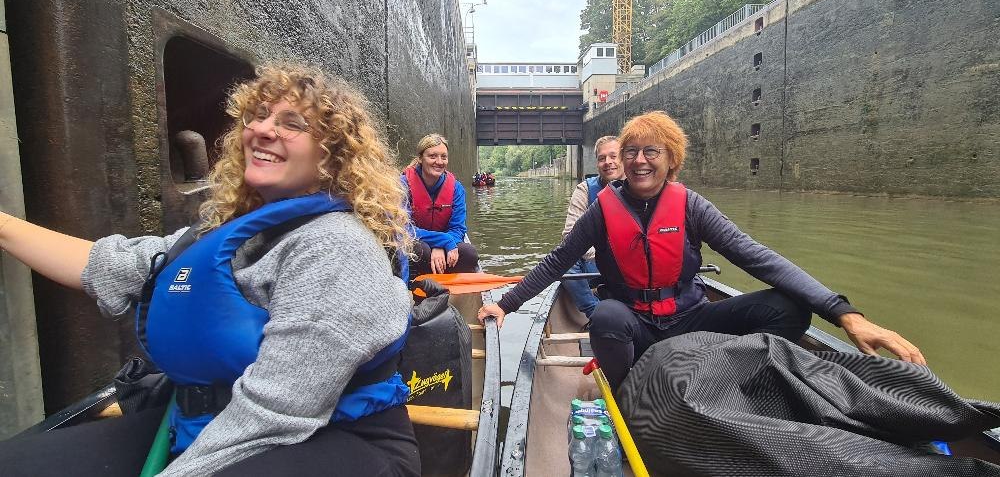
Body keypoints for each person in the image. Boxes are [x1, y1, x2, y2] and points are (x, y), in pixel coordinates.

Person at [0, 65, 420, 476]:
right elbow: (106, 266)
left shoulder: (337, 248)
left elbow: (277, 412)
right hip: (203, 420)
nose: (263, 129)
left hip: (335, 437)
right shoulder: (228, 236)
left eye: (291, 123)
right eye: (257, 117)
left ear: (333, 155)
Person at [478, 111, 925, 390]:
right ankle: (631, 391)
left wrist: (845, 314)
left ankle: (733, 379)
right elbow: (559, 261)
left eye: (650, 151)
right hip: (634, 323)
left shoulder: (691, 206)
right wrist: (505, 304)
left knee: (788, 308)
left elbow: (757, 257)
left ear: (671, 159)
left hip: (691, 319)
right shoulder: (603, 207)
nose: (637, 161)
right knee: (608, 316)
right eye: (630, 151)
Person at [561, 136, 623, 317]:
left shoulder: (639, 187)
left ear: (625, 158)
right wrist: (603, 256)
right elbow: (569, 237)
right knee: (565, 259)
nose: (608, 162)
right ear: (597, 163)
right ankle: (595, 312)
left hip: (629, 265)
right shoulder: (585, 190)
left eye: (613, 156)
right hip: (594, 263)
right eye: (602, 158)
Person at [402, 134, 478, 277]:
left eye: (444, 157)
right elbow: (403, 229)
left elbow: (458, 228)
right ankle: (418, 286)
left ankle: (449, 286)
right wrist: (442, 240)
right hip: (419, 243)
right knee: (420, 250)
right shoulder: (403, 185)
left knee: (469, 254)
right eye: (432, 156)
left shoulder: (456, 188)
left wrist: (441, 246)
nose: (439, 161)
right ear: (420, 158)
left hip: (445, 244)